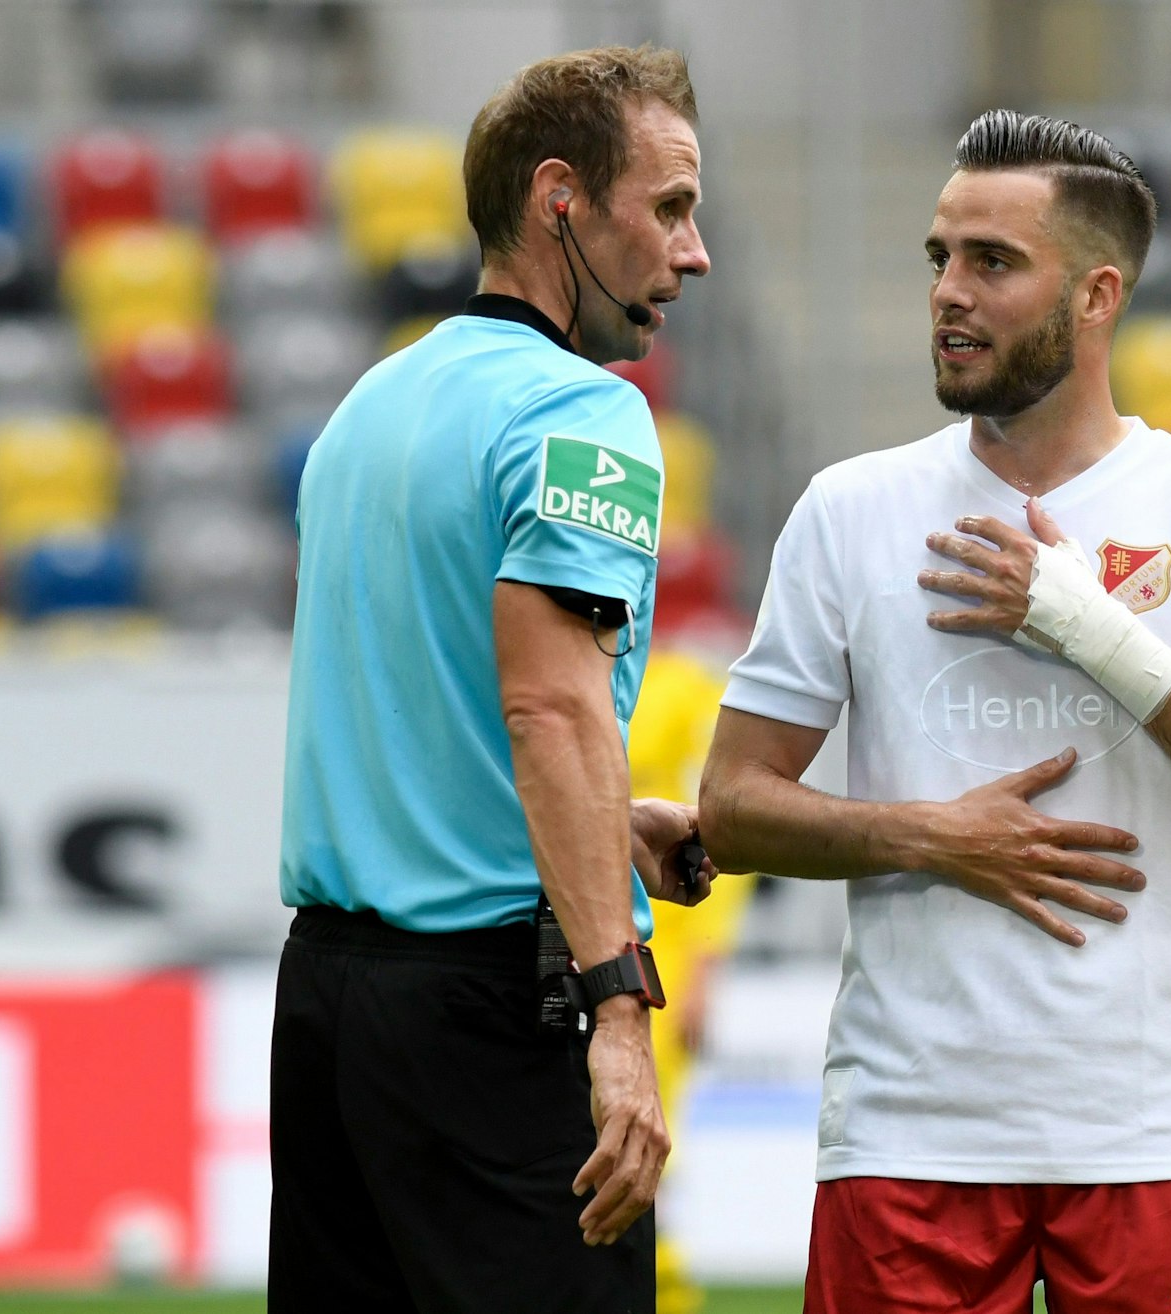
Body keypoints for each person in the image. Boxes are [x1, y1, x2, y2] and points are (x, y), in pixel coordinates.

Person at [699, 110, 1171, 1314]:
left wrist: (1091, 628)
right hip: (909, 1138)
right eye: (940, 257)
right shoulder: (849, 511)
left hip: (1150, 1135)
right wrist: (930, 835)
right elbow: (732, 809)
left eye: (992, 263)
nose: (949, 292)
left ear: (1097, 294)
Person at [269, 46, 713, 1313]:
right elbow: (551, 707)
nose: (694, 253)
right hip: (490, 1019)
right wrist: (619, 1009)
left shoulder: (370, 408)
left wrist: (608, 826)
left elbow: (428, 718)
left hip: (331, 1016)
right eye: (671, 207)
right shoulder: (586, 416)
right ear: (559, 198)